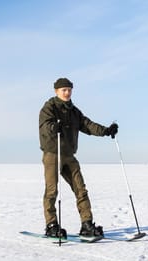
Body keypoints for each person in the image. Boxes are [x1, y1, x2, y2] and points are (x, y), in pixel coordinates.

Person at [38, 77, 118, 242]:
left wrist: (106, 131)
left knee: (81, 189)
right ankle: (51, 225)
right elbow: (45, 126)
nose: (67, 93)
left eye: (69, 90)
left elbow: (87, 125)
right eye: (63, 90)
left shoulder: (74, 112)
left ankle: (86, 224)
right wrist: (54, 127)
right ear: (56, 91)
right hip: (53, 153)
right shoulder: (49, 108)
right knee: (52, 190)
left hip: (69, 154)